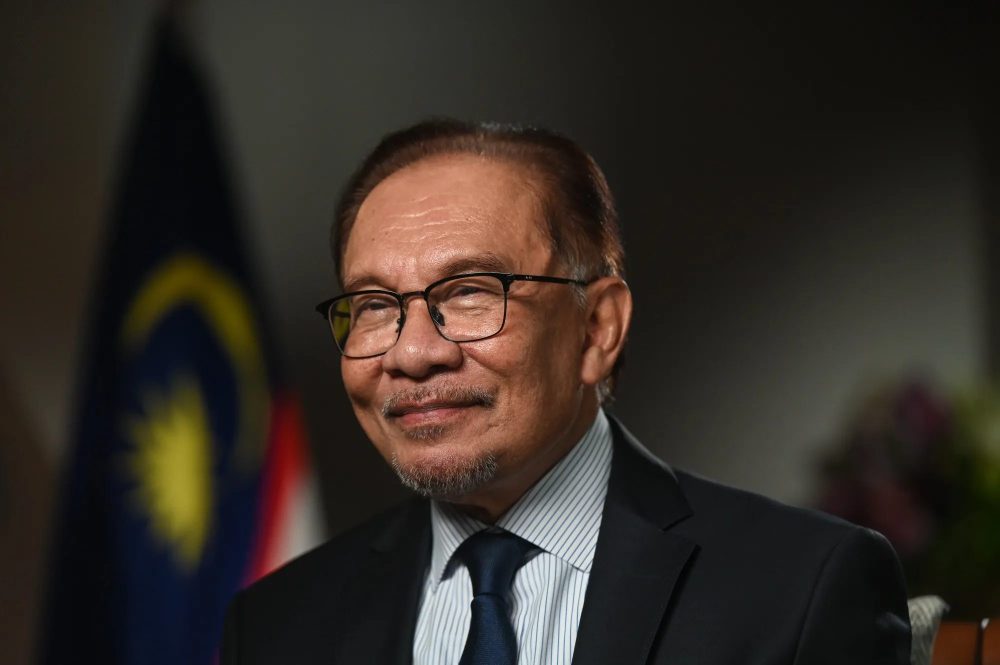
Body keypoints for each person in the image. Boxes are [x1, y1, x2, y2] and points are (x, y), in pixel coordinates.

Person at [220, 119, 911, 664]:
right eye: (374, 305)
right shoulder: (277, 624)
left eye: (469, 292)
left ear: (597, 327)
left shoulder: (801, 588)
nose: (412, 353)